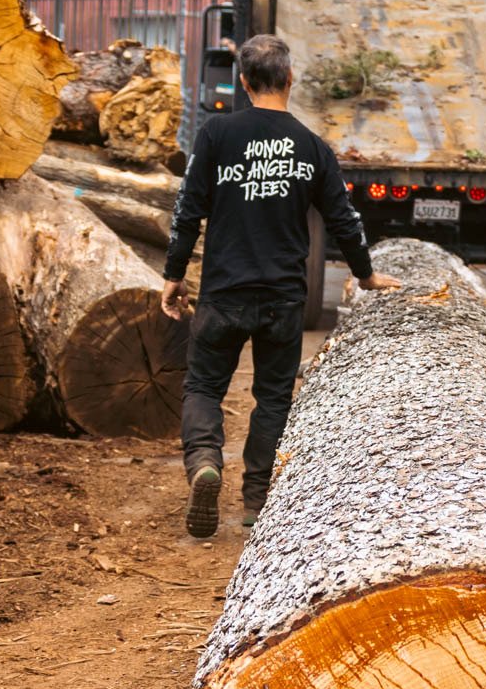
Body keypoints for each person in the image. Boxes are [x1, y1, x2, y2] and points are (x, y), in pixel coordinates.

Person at [161, 33, 400, 538]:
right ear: (291, 79)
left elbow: (188, 211)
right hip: (284, 298)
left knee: (204, 385)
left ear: (244, 82)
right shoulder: (312, 147)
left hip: (224, 293)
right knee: (272, 398)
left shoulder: (216, 135)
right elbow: (344, 220)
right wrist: (365, 275)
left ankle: (205, 461)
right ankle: (255, 499)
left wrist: (174, 274)